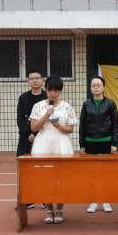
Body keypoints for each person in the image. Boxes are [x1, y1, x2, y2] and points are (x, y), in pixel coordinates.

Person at [29, 76, 77, 224]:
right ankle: (49, 210)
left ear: (60, 91)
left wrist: (60, 126)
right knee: (45, 176)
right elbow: (34, 127)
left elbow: (70, 129)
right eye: (50, 90)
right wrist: (46, 114)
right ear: (46, 90)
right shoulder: (38, 106)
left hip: (60, 142)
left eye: (56, 90)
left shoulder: (66, 106)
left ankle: (60, 210)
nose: (53, 93)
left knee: (61, 176)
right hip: (43, 142)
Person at [79, 76, 118, 214]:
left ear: (104, 87)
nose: (96, 87)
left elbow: (115, 124)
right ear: (90, 88)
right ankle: (94, 201)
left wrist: (114, 143)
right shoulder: (86, 104)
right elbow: (82, 125)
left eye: (98, 85)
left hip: (106, 141)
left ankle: (106, 200)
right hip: (90, 142)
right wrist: (82, 144)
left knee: (106, 171)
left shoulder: (110, 103)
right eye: (93, 85)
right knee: (92, 172)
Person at [16, 68, 48, 209]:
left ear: (42, 80)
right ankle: (27, 200)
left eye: (37, 78)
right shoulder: (23, 98)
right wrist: (29, 133)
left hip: (43, 138)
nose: (35, 81)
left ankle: (45, 200)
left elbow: (49, 118)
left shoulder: (47, 97)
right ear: (28, 81)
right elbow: (20, 118)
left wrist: (36, 134)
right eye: (32, 78)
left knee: (44, 169)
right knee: (25, 170)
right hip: (26, 139)